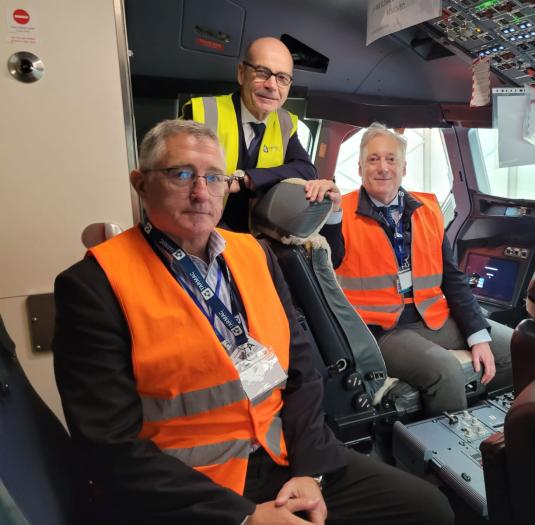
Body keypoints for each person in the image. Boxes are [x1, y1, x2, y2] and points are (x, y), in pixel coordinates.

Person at [53, 120, 453, 525]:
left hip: (283, 456)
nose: (200, 192)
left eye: (214, 178)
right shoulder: (95, 285)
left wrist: (309, 470)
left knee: (428, 510)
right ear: (141, 184)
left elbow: (301, 373)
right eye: (181, 174)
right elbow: (109, 447)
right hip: (190, 490)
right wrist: (246, 517)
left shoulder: (256, 255)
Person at [306, 123, 512, 416]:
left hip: (433, 317)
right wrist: (333, 215)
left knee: (513, 347)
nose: (382, 168)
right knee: (446, 370)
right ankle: (450, 451)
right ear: (360, 166)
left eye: (391, 159)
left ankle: (492, 427)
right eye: (373, 159)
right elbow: (331, 260)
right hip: (382, 330)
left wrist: (477, 334)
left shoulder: (427, 210)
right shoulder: (339, 213)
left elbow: (453, 279)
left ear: (403, 167)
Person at [181, 37, 316, 232]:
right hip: (198, 230)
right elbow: (177, 180)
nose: (272, 85)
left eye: (282, 78)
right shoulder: (200, 112)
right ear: (242, 73)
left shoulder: (287, 124)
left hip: (252, 240)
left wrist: (246, 179)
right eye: (262, 72)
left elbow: (306, 170)